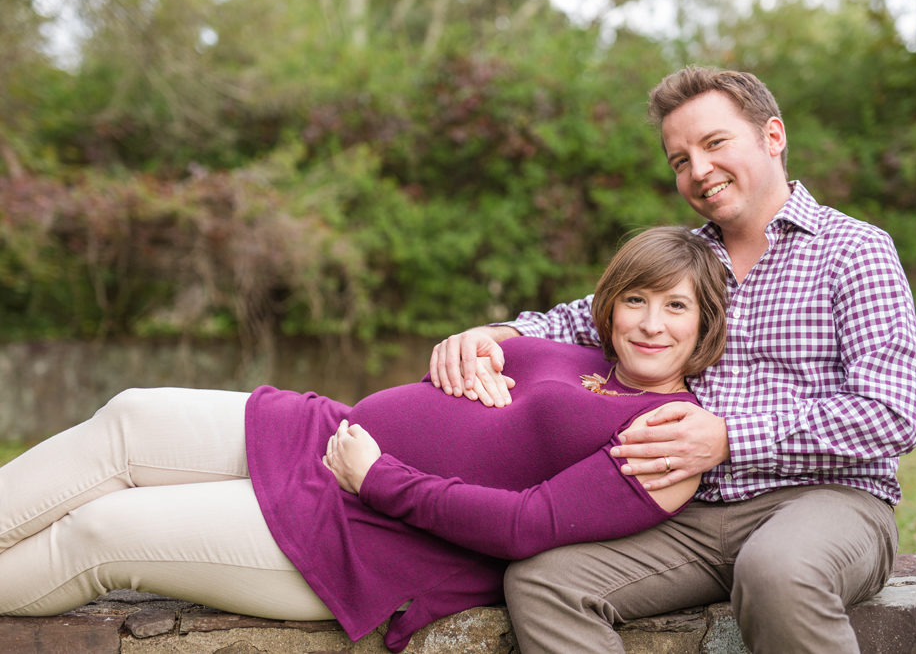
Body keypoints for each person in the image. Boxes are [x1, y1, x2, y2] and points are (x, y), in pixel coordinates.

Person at [0, 227, 728, 653]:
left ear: (703, 326)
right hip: (325, 433)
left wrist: (379, 477)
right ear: (611, 302)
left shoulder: (670, 436)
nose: (651, 323)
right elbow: (471, 396)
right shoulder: (583, 355)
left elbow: (527, 524)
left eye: (674, 307)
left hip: (366, 528)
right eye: (636, 299)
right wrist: (467, 351)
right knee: (130, 418)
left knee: (100, 532)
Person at [430, 66, 916, 652]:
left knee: (778, 570)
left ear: (773, 137)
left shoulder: (854, 252)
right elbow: (588, 316)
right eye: (680, 160)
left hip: (825, 500)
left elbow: (893, 414)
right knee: (545, 580)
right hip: (687, 513)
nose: (699, 170)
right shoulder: (689, 260)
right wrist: (492, 332)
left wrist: (729, 438)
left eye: (714, 143)